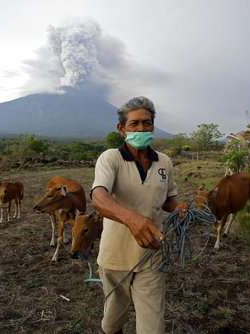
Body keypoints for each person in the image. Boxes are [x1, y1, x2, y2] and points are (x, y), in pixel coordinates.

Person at [91, 96, 185, 334]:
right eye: (134, 124)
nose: (141, 128)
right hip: (115, 257)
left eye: (147, 123)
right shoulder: (111, 158)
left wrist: (180, 208)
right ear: (121, 129)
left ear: (153, 126)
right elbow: (99, 198)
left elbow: (167, 200)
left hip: (152, 253)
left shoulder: (164, 162)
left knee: (152, 327)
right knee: (113, 320)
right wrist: (132, 219)